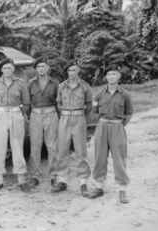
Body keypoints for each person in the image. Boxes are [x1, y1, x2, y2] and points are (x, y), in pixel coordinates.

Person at [88, 65, 133, 203]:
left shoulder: (125, 95)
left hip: (117, 126)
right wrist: (102, 123)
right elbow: (95, 111)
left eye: (114, 74)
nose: (112, 77)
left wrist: (120, 124)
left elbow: (129, 112)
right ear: (106, 77)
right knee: (99, 157)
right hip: (102, 126)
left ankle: (122, 190)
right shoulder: (99, 94)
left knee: (119, 158)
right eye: (109, 74)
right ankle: (99, 187)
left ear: (119, 76)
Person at [0, 58, 31, 192]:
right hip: (0, 114)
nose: (7, 70)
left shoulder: (20, 83)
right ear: (1, 70)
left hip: (15, 113)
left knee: (17, 146)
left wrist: (17, 113)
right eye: (5, 68)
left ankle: (21, 179)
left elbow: (27, 103)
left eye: (10, 68)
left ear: (14, 69)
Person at [51, 61, 92, 197]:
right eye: (69, 70)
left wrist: (80, 116)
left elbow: (89, 105)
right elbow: (58, 103)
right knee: (62, 150)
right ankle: (62, 181)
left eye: (74, 70)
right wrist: (65, 115)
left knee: (81, 151)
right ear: (67, 72)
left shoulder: (85, 86)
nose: (72, 73)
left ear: (78, 70)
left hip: (79, 118)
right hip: (64, 118)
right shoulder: (62, 86)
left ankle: (83, 182)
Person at [27, 57, 59, 187]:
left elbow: (59, 101)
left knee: (52, 146)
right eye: (39, 66)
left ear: (47, 68)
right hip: (36, 114)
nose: (41, 69)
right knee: (35, 146)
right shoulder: (31, 83)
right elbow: (27, 101)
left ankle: (54, 175)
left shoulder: (55, 83)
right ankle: (34, 175)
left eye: (43, 66)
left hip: (51, 113)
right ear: (36, 69)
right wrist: (29, 116)